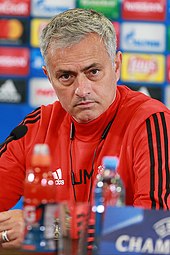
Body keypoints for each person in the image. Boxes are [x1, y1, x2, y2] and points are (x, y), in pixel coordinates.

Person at [0, 8, 169, 249]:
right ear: (49, 77)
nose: (82, 89)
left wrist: (43, 226)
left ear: (117, 66)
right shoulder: (36, 127)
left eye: (93, 72)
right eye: (66, 76)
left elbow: (156, 227)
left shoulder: (151, 122)